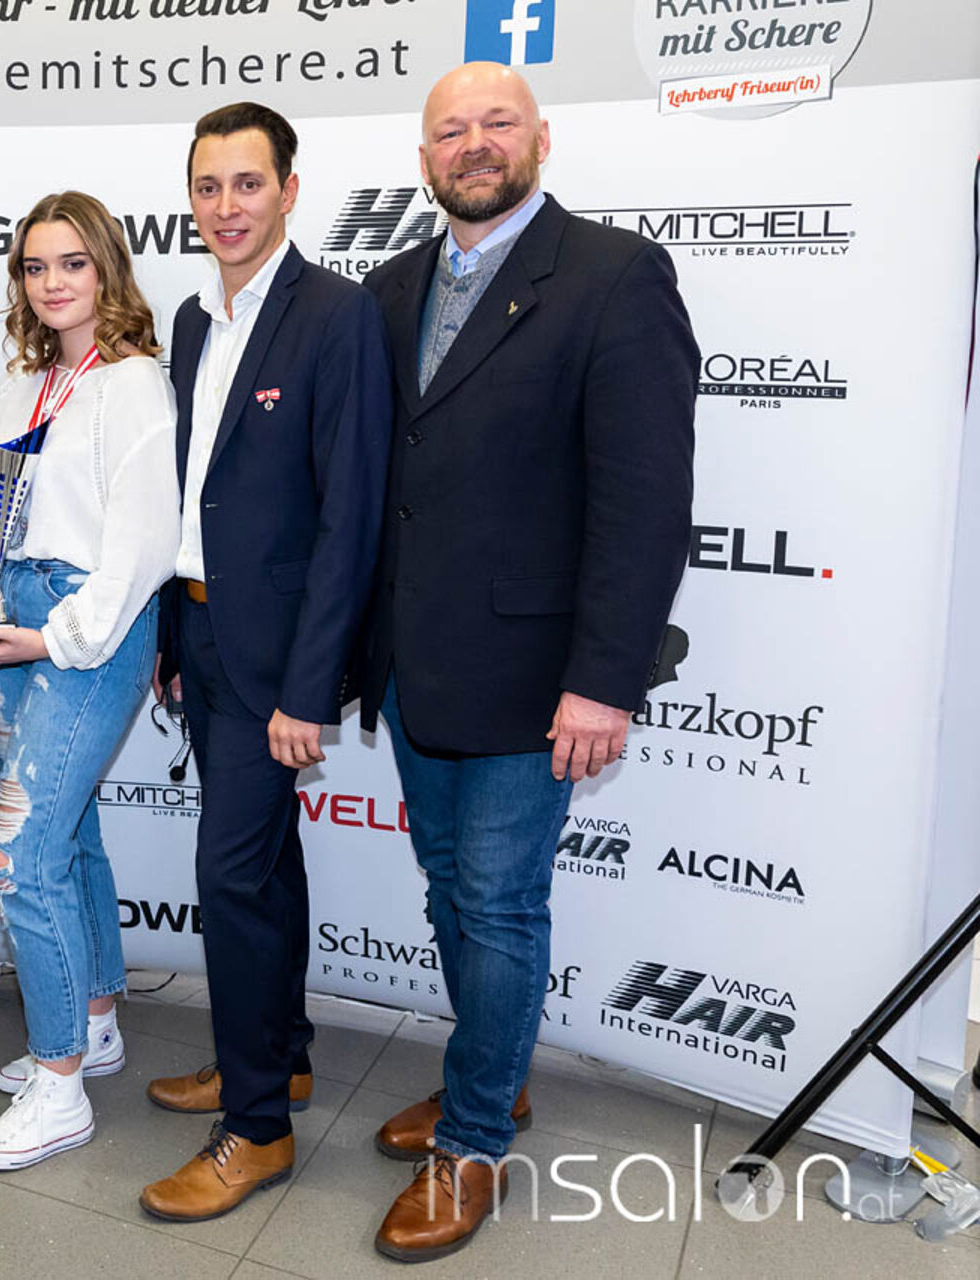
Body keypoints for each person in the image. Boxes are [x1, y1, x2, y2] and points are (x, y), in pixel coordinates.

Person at [358, 62, 696, 1262]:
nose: (474, 144)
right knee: (452, 889)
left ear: (540, 138)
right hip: (414, 665)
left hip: (537, 675)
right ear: (424, 160)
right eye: (451, 130)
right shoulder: (390, 288)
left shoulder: (614, 275)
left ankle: (473, 1137)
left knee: (498, 901)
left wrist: (604, 679)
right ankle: (493, 1074)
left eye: (497, 122)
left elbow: (645, 502)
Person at [139, 102, 394, 1222]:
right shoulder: (195, 320)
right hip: (202, 632)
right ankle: (278, 1056)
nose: (227, 206)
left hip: (279, 655)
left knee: (231, 878)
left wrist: (310, 684)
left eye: (248, 183)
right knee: (268, 865)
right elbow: (193, 494)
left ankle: (255, 1129)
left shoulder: (338, 314)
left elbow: (351, 516)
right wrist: (172, 636)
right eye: (208, 186)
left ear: (289, 190)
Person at [0, 192, 179, 1171]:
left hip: (90, 627)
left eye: (72, 263)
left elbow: (142, 547)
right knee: (70, 830)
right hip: (15, 614)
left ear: (107, 270)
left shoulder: (134, 383)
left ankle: (59, 1087)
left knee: (20, 853)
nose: (52, 283)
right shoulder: (21, 380)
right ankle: (95, 1018)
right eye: (35, 267)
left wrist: (53, 637)